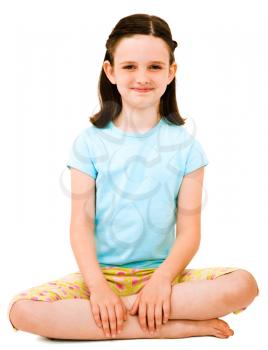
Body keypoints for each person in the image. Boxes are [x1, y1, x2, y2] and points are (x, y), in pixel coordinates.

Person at [8, 13, 259, 341]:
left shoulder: (187, 147)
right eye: (129, 66)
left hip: (166, 277)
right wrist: (98, 289)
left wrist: (161, 282)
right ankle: (170, 326)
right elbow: (80, 226)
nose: (142, 76)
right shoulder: (89, 143)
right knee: (22, 311)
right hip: (100, 277)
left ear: (171, 72)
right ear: (110, 71)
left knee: (244, 285)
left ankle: (116, 318)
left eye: (154, 66)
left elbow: (189, 233)